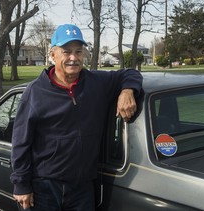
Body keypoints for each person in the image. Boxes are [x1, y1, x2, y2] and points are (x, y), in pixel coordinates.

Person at [10, 24, 143, 211]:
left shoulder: (97, 83)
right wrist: (21, 184)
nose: (73, 58)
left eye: (78, 51)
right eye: (66, 52)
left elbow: (131, 73)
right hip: (44, 187)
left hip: (82, 188)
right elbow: (21, 142)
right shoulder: (35, 92)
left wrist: (128, 91)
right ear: (52, 55)